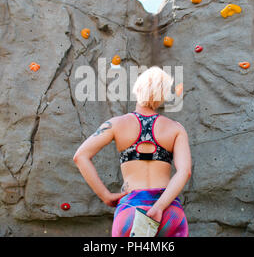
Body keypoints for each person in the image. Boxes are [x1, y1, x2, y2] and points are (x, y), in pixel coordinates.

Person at [73, 66, 191, 237]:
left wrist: (105, 195)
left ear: (137, 89)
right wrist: (158, 207)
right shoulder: (176, 129)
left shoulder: (116, 124)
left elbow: (80, 156)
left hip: (131, 209)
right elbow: (184, 172)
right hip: (169, 211)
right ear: (163, 96)